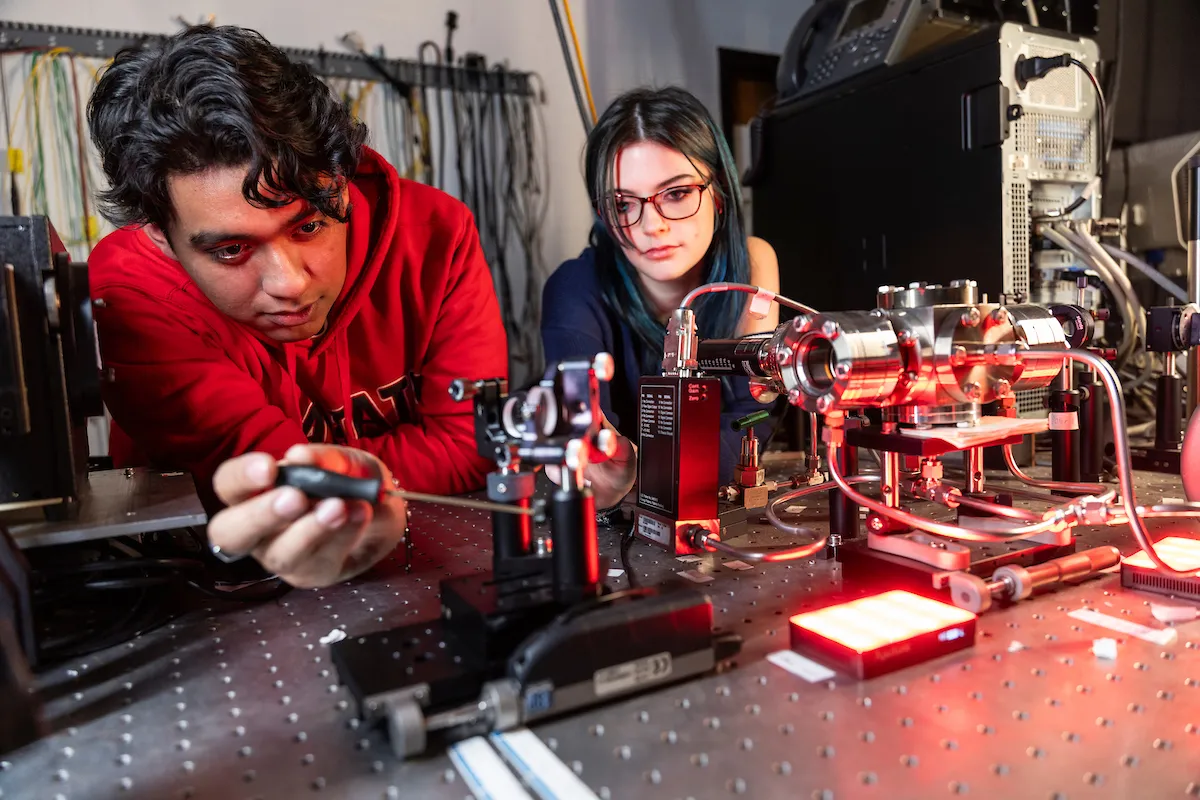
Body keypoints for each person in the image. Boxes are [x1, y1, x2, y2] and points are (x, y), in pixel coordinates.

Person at [86, 25, 509, 588]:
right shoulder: (132, 289)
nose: (288, 283)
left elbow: (471, 447)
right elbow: (288, 492)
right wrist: (360, 479)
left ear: (339, 179)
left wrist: (344, 478)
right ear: (160, 235)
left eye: (309, 224)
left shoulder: (438, 233)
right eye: (231, 250)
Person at [541, 86, 782, 494]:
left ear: (719, 192)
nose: (652, 226)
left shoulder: (752, 265)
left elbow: (749, 425)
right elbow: (588, 436)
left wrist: (641, 469)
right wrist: (603, 463)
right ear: (603, 213)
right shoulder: (573, 288)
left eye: (677, 193)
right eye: (623, 204)